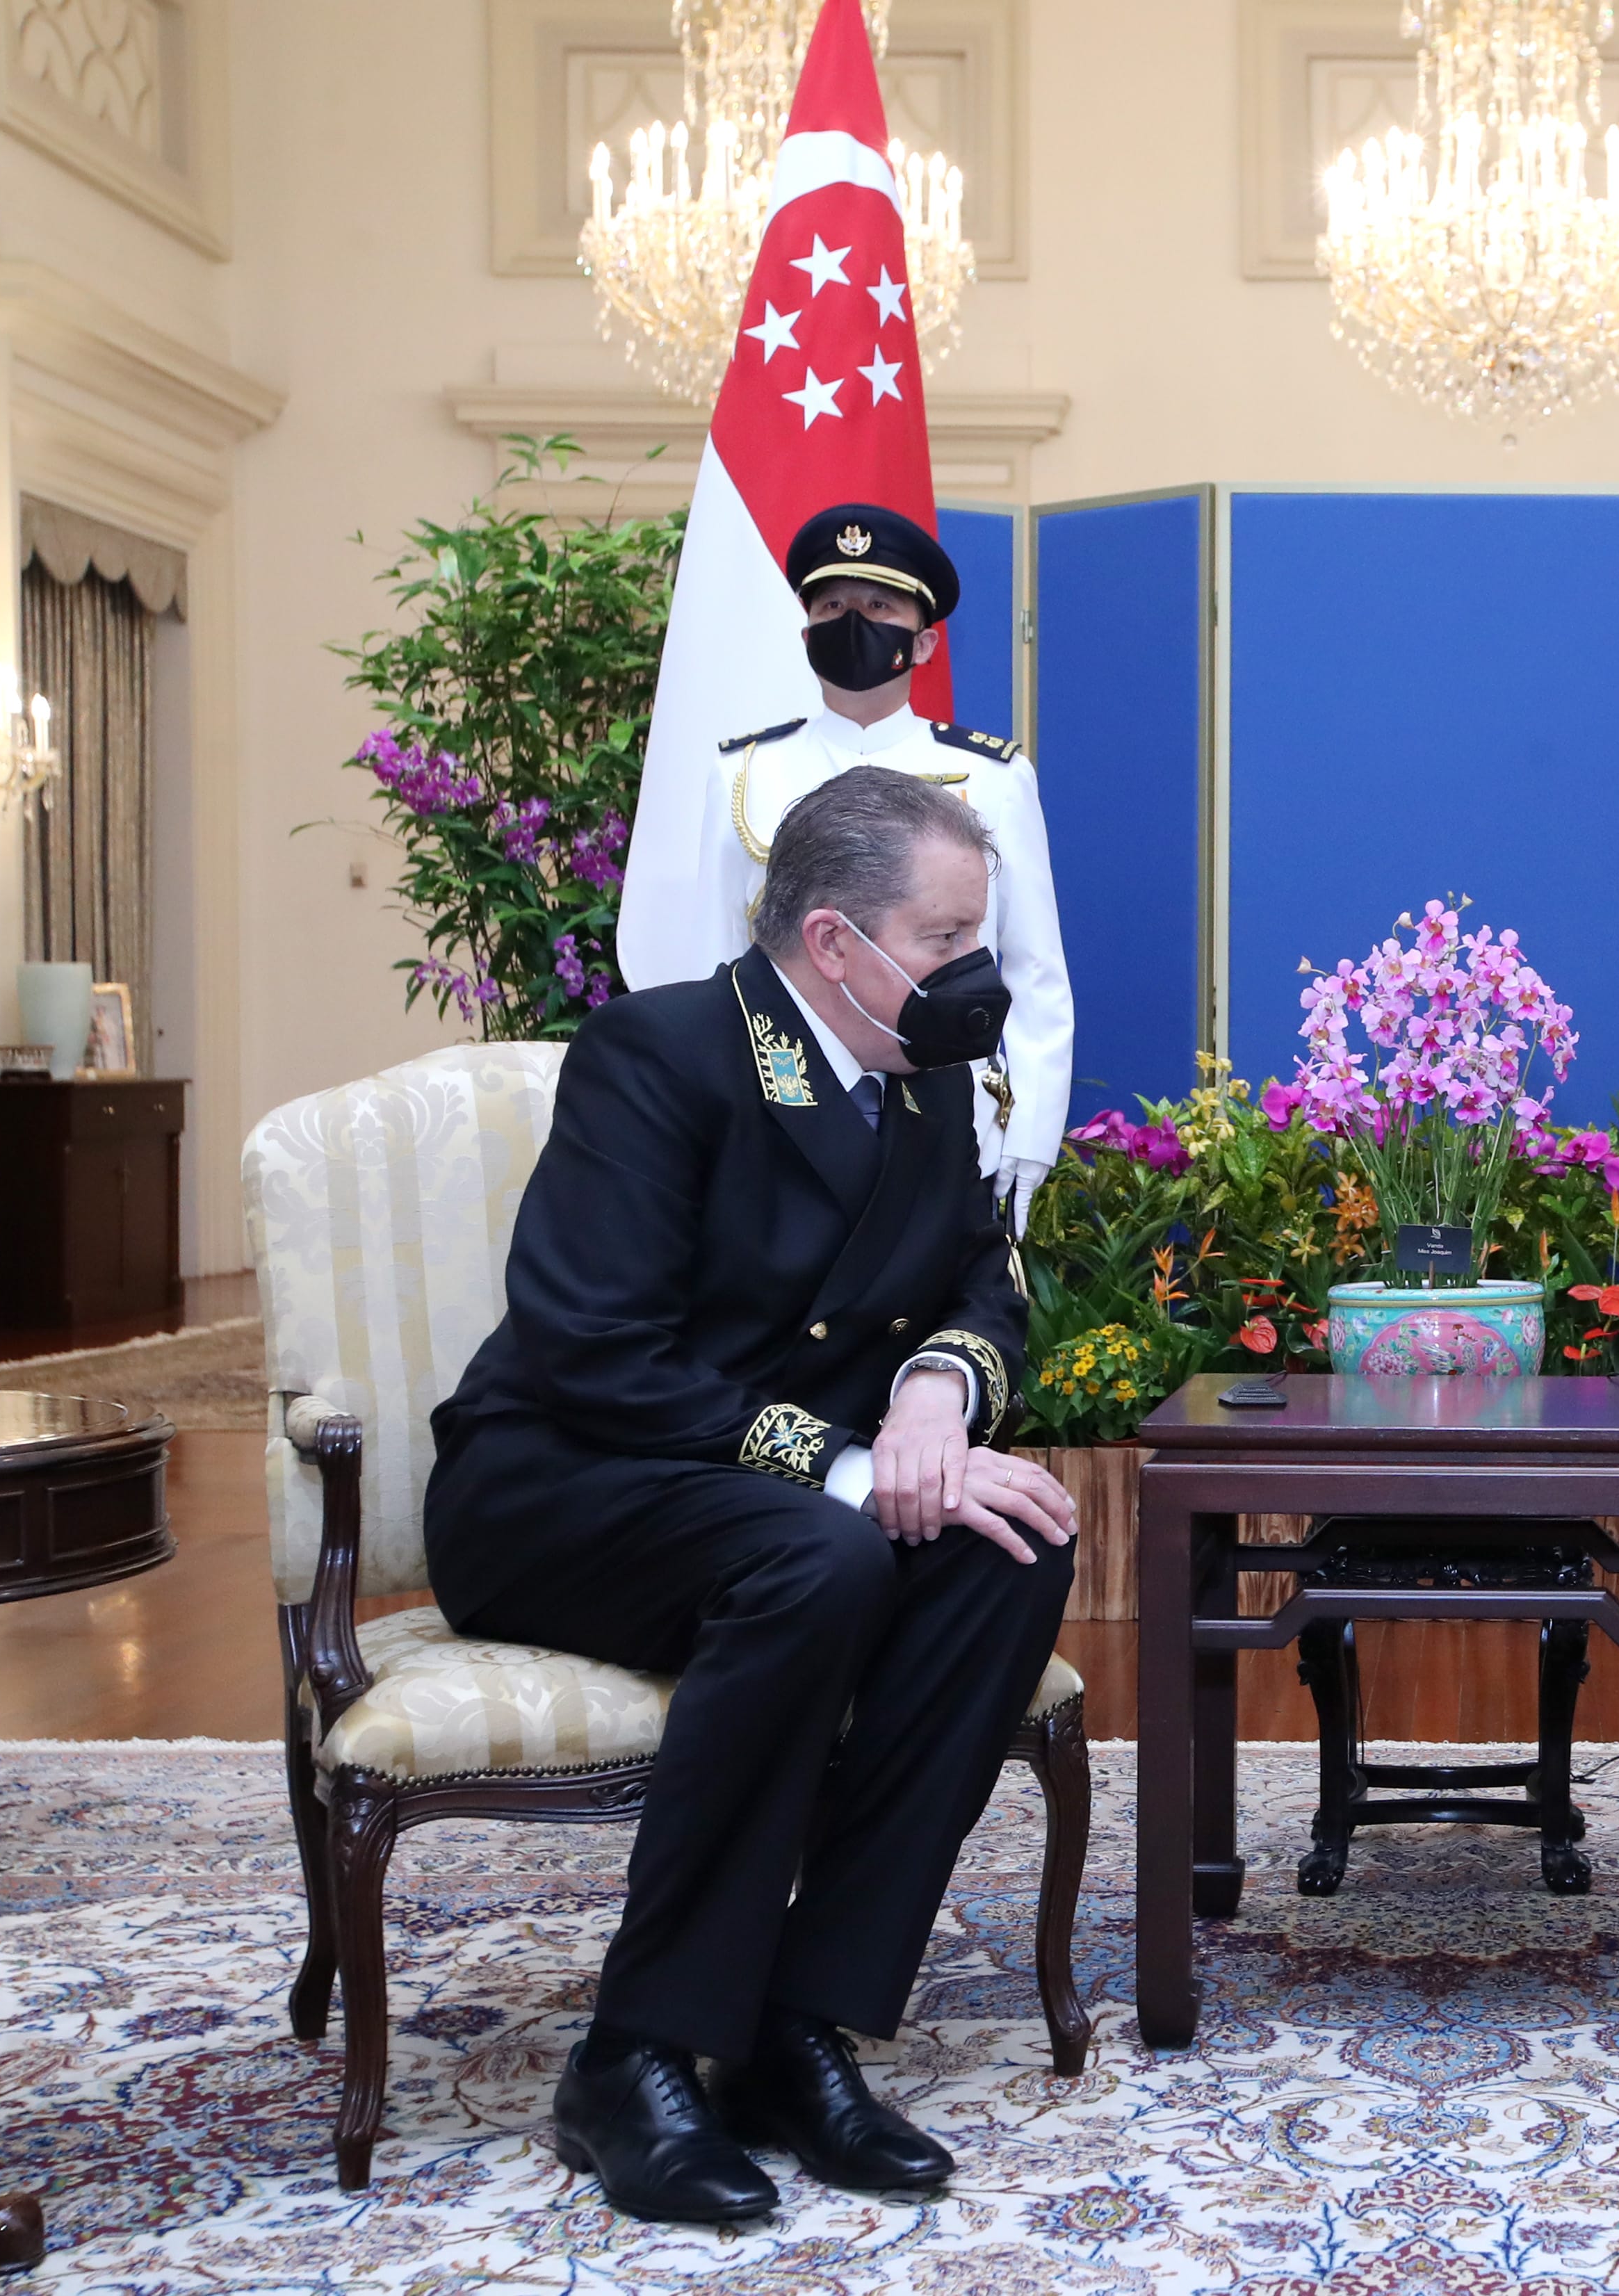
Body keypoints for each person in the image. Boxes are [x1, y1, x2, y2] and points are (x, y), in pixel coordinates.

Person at [425, 767, 1079, 2224]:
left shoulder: (921, 1081)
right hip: (565, 1483)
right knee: (824, 1561)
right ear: (835, 941)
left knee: (1009, 1543)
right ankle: (637, 2051)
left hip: (763, 1502)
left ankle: (798, 2025)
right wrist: (847, 1466)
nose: (974, 971)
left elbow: (984, 1274)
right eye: (944, 935)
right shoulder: (660, 1054)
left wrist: (937, 1393)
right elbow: (597, 1355)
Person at [616, 500, 1072, 1230]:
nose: (852, 622)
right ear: (806, 636)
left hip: (948, 1099)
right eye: (832, 606)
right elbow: (717, 958)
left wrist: (1029, 1130)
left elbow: (1030, 968)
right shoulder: (743, 771)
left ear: (923, 644)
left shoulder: (990, 777)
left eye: (877, 605)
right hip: (782, 1101)